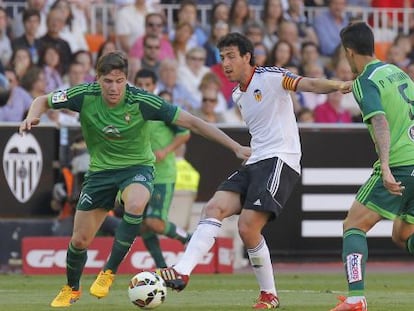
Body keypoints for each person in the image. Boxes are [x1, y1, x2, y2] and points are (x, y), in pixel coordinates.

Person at [18, 50, 250, 308]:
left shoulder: (142, 100)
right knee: (79, 240)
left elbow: (193, 122)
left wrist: (235, 147)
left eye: (119, 80)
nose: (114, 87)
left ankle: (108, 271)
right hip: (100, 173)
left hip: (137, 168)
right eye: (108, 81)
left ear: (126, 79)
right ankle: (71, 288)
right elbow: (42, 99)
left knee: (137, 204)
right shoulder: (83, 95)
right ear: (98, 79)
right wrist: (31, 116)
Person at [152, 32, 352, 309]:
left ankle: (269, 295)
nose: (225, 63)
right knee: (213, 208)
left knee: (248, 227)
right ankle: (182, 270)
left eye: (231, 56)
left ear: (247, 56)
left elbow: (307, 83)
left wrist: (339, 84)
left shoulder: (270, 76)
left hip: (281, 160)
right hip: (256, 159)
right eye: (222, 58)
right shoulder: (237, 94)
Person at [329, 21, 414, 311]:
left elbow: (379, 121)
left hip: (401, 164)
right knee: (402, 235)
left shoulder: (364, 81)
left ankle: (355, 299)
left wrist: (387, 168)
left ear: (350, 52)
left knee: (354, 225)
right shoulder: (396, 71)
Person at [133, 68, 192, 268]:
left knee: (155, 222)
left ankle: (189, 239)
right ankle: (162, 268)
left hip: (162, 175)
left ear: (154, 86)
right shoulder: (131, 110)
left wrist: (166, 151)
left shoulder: (162, 108)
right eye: (140, 84)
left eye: (147, 84)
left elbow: (184, 133)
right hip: (139, 176)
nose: (143, 88)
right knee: (143, 225)